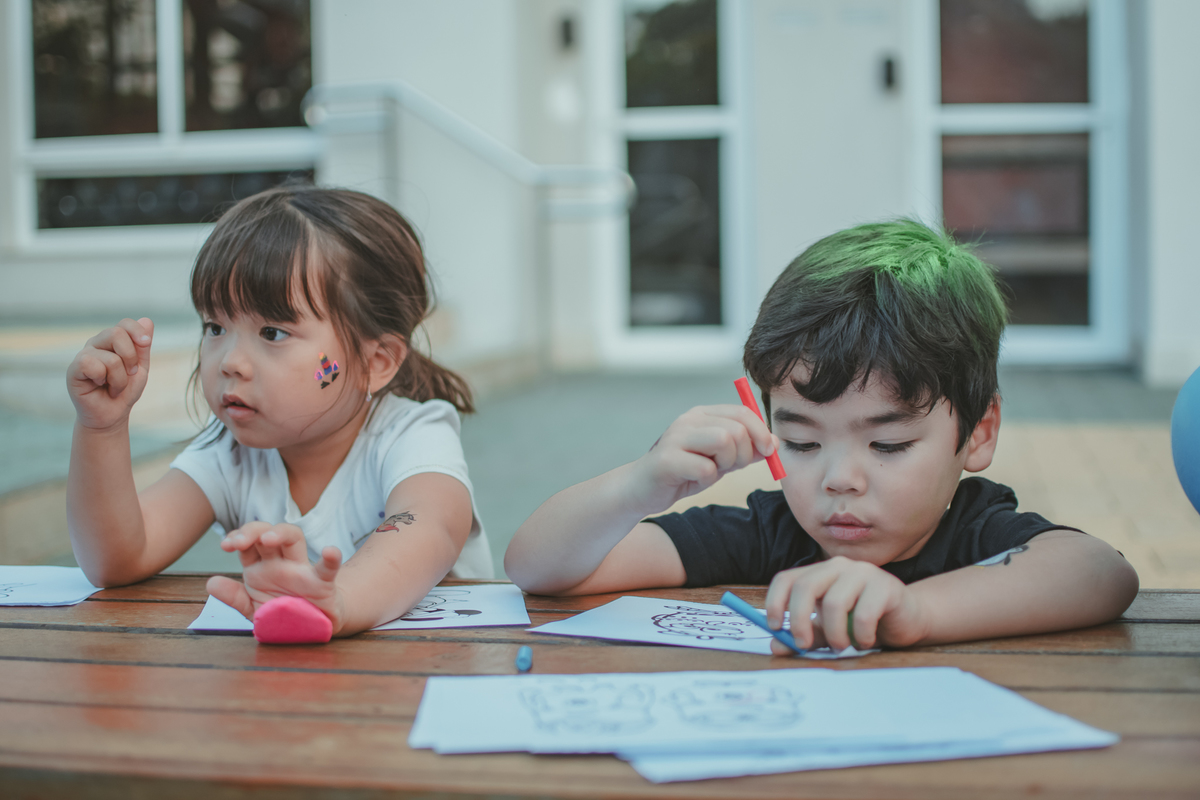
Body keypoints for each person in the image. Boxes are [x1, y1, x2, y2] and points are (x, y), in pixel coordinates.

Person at [505, 220, 1138, 653]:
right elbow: (537, 566)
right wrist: (640, 485)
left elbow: (1102, 573)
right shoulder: (774, 531)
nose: (839, 478)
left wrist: (915, 612)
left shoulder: (974, 532)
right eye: (802, 443)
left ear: (977, 432)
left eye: (888, 445)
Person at [67, 185, 492, 638]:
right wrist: (102, 428)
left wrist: (338, 601)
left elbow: (429, 526)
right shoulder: (231, 454)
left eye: (272, 333)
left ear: (376, 362)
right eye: (215, 326)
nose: (230, 360)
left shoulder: (411, 433)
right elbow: (117, 559)